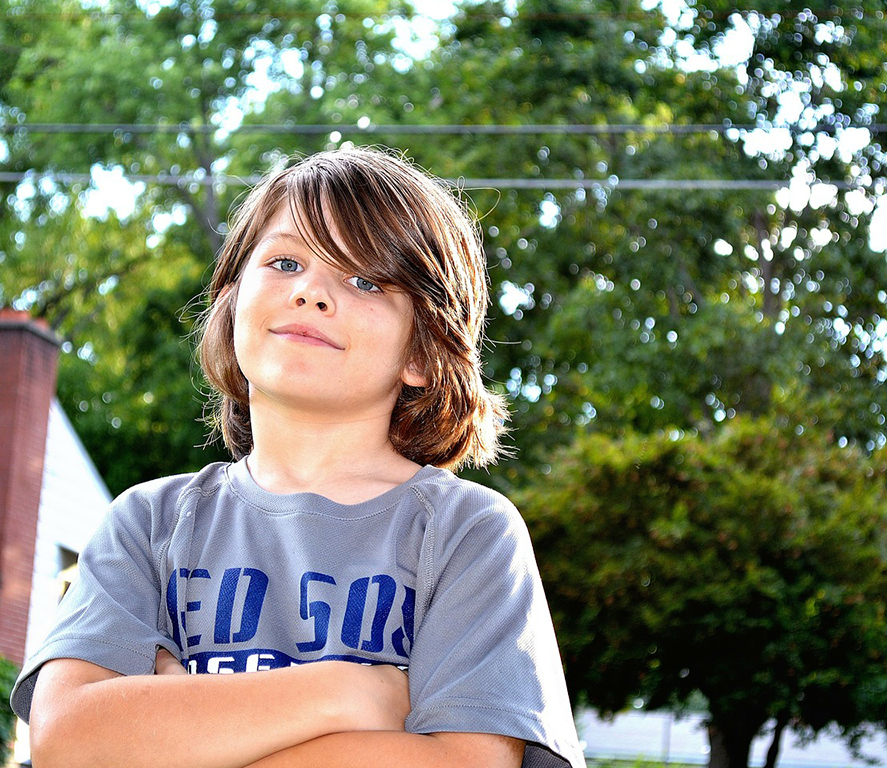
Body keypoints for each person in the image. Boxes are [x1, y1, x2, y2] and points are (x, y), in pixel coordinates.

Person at [10, 146, 586, 768]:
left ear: (421, 354)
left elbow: (468, 762)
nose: (311, 291)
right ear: (231, 305)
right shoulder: (148, 524)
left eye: (366, 280)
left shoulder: (466, 533)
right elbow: (67, 738)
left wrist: (185, 725)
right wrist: (355, 691)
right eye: (285, 262)